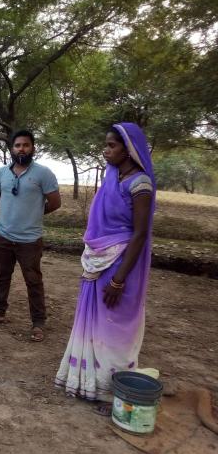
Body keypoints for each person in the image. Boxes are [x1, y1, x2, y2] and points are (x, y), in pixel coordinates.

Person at [55, 123, 155, 415]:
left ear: (129, 149)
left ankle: (111, 390)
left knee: (114, 323)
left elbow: (140, 234)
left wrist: (119, 280)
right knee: (96, 320)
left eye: (112, 145)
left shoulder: (140, 184)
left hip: (123, 263)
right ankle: (89, 383)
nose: (105, 150)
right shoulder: (112, 178)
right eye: (106, 145)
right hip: (99, 258)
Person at [0, 129, 61, 342]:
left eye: (25, 145)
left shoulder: (43, 173)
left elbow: (55, 202)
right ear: (12, 149)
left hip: (30, 240)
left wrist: (34, 213)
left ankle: (38, 323)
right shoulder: (1, 173)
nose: (21, 149)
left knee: (33, 281)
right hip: (3, 236)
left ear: (33, 148)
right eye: (17, 145)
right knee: (1, 276)